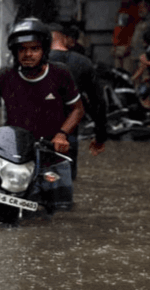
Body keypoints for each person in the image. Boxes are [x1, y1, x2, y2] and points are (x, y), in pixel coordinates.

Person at [0, 18, 85, 208]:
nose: (28, 54)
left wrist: (62, 135)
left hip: (51, 154)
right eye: (22, 49)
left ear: (44, 50)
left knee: (62, 212)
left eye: (34, 49)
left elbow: (78, 109)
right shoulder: (5, 75)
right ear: (15, 52)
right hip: (13, 154)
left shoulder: (60, 74)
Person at [49, 22, 107, 180]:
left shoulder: (31, 62)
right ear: (66, 39)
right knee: (66, 184)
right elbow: (98, 102)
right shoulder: (83, 63)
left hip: (34, 133)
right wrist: (100, 135)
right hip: (68, 134)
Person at [113, 0, 139, 74]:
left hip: (127, 48)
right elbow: (117, 29)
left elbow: (134, 29)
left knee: (127, 73)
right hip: (118, 47)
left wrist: (128, 45)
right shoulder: (121, 9)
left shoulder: (134, 9)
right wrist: (114, 45)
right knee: (117, 73)